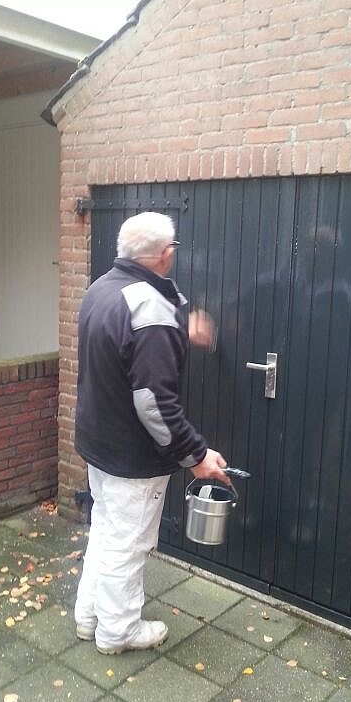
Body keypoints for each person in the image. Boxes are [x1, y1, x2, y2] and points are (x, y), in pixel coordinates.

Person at [73, 211, 230, 655]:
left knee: (106, 531)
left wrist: (178, 329)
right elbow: (153, 404)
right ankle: (118, 632)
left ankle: (89, 617)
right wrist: (195, 455)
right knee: (129, 544)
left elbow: (126, 346)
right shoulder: (149, 310)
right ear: (164, 255)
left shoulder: (102, 289)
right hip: (131, 458)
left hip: (98, 444)